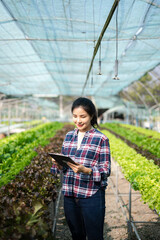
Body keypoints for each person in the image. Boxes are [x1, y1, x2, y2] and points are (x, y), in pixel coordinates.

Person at [51, 97, 111, 240]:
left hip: (91, 195)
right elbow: (64, 166)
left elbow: (106, 169)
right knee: (77, 235)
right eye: (75, 116)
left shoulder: (101, 138)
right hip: (70, 194)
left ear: (91, 116)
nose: (78, 121)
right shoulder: (69, 136)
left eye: (83, 116)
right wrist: (57, 163)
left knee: (95, 236)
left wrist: (88, 171)